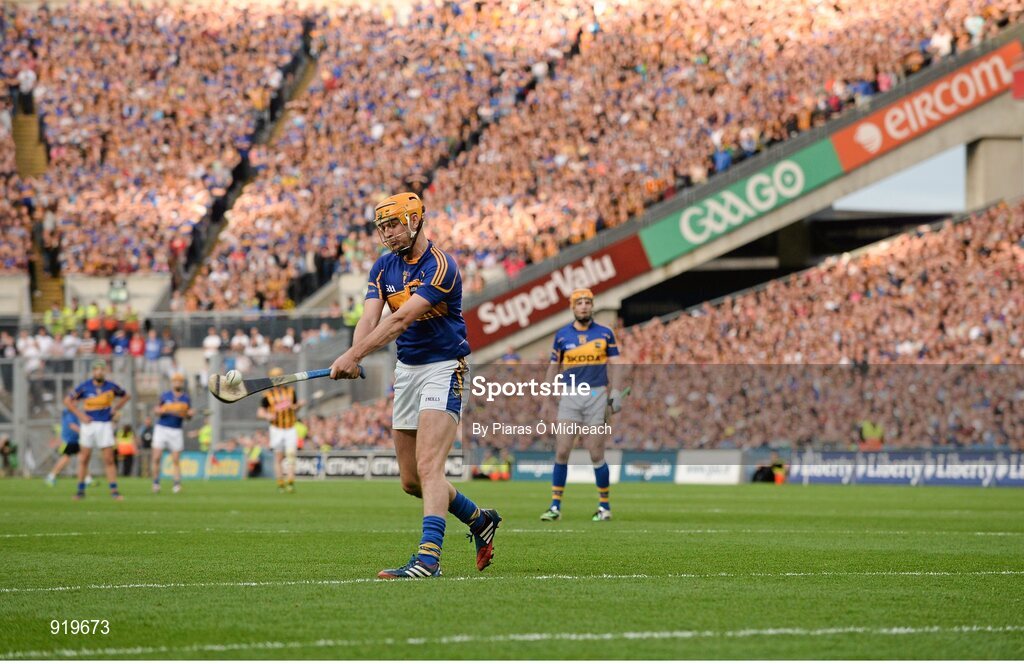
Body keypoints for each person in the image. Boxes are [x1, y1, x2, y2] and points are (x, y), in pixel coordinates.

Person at [329, 191, 500, 580]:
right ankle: (479, 520)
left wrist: (355, 356)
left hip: (444, 367)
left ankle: (428, 559)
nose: (387, 234)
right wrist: (354, 351)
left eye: (393, 224)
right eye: (382, 227)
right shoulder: (381, 268)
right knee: (411, 481)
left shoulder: (441, 266)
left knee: (429, 466)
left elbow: (400, 320)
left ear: (415, 220)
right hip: (407, 371)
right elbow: (370, 319)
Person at [540, 288, 622, 522]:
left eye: (588, 302)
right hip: (570, 396)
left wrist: (615, 392)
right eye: (580, 302)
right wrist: (546, 398)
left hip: (597, 396)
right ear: (572, 307)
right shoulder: (562, 335)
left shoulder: (605, 333)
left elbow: (616, 364)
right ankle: (555, 507)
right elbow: (553, 367)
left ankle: (604, 507)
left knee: (596, 452)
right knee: (562, 450)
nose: (584, 306)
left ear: (592, 306)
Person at [64, 359, 130, 500]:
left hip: (105, 425)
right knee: (84, 458)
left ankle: (114, 491)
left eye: (101, 369)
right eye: (96, 369)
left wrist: (116, 408)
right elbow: (67, 401)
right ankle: (80, 491)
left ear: (105, 371)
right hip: (89, 426)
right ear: (93, 371)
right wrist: (80, 415)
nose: (99, 372)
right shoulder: (85, 387)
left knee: (109, 459)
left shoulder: (111, 387)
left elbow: (126, 396)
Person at [257, 367, 304, 493]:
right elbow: (260, 412)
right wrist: (267, 415)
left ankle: (290, 482)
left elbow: (294, 407)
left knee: (291, 455)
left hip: (290, 427)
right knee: (278, 457)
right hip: (276, 428)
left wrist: (298, 405)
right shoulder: (267, 395)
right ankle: (280, 482)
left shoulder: (291, 391)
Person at [151, 372, 193, 494]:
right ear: (172, 383)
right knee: (156, 457)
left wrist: (188, 414)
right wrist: (160, 411)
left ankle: (176, 484)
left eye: (179, 381)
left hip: (176, 429)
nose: (177, 383)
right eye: (175, 381)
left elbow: (187, 417)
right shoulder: (165, 396)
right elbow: (156, 410)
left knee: (175, 459)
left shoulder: (186, 398)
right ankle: (156, 483)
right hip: (162, 428)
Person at [44, 409, 81, 486]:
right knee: (66, 458)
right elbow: (72, 425)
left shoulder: (73, 412)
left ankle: (87, 479)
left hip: (74, 440)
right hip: (69, 440)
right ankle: (51, 476)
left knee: (81, 458)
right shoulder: (68, 413)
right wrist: (84, 431)